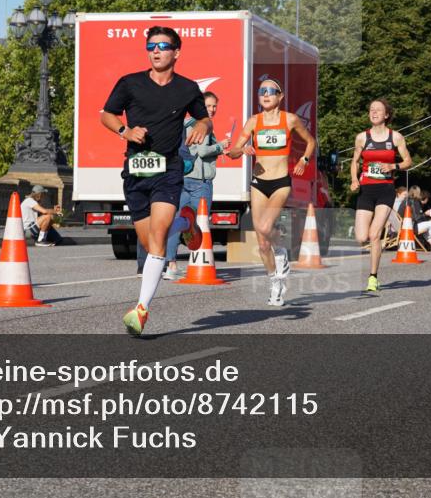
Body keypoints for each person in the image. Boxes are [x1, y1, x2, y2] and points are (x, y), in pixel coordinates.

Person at [101, 26, 211, 336]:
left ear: (176, 52)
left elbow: (204, 116)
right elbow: (106, 115)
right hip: (136, 172)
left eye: (163, 45)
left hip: (168, 170)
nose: (156, 50)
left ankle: (141, 310)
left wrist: (202, 124)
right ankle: (186, 225)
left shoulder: (188, 89)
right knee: (152, 246)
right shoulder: (130, 83)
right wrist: (125, 131)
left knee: (159, 236)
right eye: (151, 46)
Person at [227, 78, 315, 306]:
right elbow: (233, 151)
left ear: (280, 96)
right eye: (261, 91)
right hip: (258, 182)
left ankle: (282, 251)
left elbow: (310, 142)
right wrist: (241, 149)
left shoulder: (290, 119)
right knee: (262, 243)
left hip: (280, 183)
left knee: (265, 227)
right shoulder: (253, 122)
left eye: (270, 91)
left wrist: (304, 160)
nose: (265, 95)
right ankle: (275, 282)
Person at [163, 91, 231, 280]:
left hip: (183, 178)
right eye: (208, 106)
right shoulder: (204, 126)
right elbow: (202, 151)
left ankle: (171, 265)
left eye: (214, 106)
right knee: (199, 222)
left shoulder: (186, 124)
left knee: (178, 221)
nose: (212, 110)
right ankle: (199, 263)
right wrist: (221, 146)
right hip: (200, 182)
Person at [349, 99, 412, 293]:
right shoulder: (362, 138)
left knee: (374, 234)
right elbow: (355, 161)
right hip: (366, 189)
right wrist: (353, 179)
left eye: (378, 110)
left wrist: (394, 166)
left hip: (385, 189)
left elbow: (408, 161)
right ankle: (376, 247)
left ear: (386, 115)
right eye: (371, 109)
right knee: (361, 236)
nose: (374, 112)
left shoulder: (395, 138)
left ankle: (373, 277)